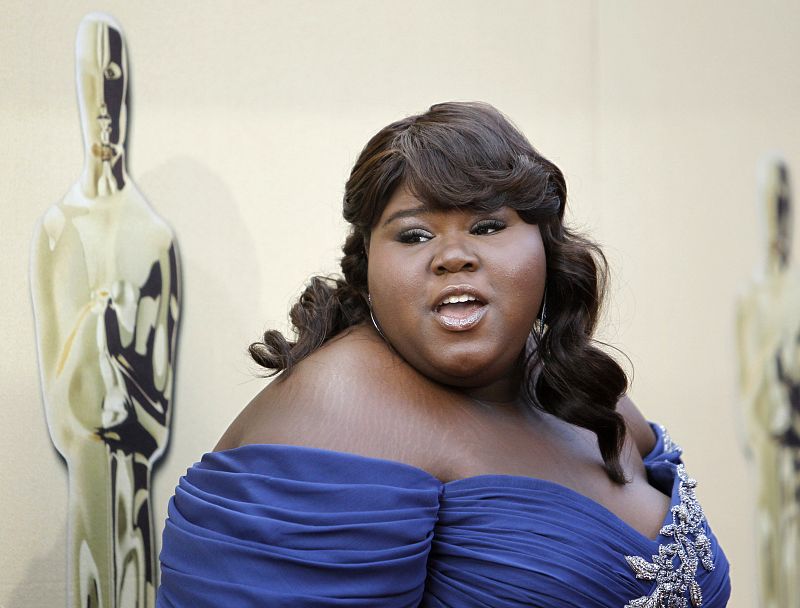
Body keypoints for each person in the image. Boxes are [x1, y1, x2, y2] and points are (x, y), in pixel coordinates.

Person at [157, 102, 730, 607]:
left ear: (547, 247)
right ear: (367, 267)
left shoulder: (582, 391)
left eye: (487, 226)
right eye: (414, 235)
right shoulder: (341, 406)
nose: (453, 256)